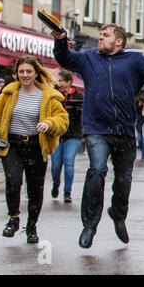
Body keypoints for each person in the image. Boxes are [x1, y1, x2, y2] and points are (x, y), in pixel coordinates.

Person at [52, 24, 144, 248]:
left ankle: (118, 213)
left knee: (124, 180)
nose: (100, 37)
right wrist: (60, 39)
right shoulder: (88, 58)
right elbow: (64, 58)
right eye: (100, 34)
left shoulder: (135, 61)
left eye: (105, 35)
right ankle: (89, 224)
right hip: (97, 129)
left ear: (118, 41)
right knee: (96, 170)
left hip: (125, 131)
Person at [0, 55, 69, 243]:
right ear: (16, 74)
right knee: (13, 182)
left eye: (29, 71)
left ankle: (31, 226)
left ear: (37, 73)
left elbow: (63, 121)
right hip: (12, 145)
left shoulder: (48, 95)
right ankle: (13, 218)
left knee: (35, 189)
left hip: (37, 145)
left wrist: (49, 123)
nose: (25, 75)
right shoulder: (8, 93)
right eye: (21, 71)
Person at [50, 70, 84, 203]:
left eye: (62, 81)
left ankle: (67, 191)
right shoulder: (54, 95)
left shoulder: (78, 96)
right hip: (57, 134)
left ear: (69, 82)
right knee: (56, 165)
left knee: (68, 161)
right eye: (58, 81)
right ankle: (56, 183)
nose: (60, 83)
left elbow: (82, 114)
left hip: (73, 134)